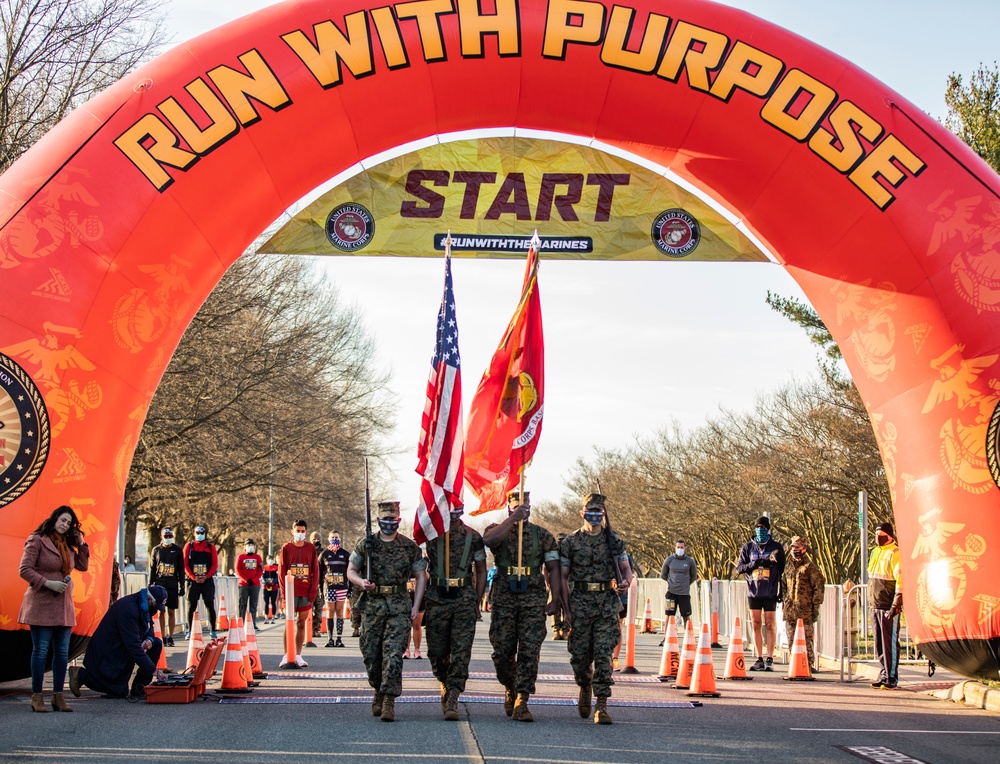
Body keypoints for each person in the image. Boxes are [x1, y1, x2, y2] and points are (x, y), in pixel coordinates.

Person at [482, 490, 563, 722]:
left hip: (532, 598)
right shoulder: (497, 528)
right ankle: (510, 685)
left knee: (529, 652)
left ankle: (522, 700)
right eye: (516, 505)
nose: (521, 509)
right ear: (508, 506)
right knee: (503, 652)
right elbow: (489, 541)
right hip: (504, 599)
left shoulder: (542, 535)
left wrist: (555, 598)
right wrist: (512, 520)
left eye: (525, 506)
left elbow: (554, 568)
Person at [347, 501, 426, 722]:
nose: (389, 523)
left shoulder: (410, 547)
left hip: (399, 606)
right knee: (372, 655)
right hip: (372, 606)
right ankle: (378, 690)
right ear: (378, 520)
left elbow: (420, 577)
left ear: (399, 521)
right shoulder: (367, 544)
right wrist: (362, 582)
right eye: (385, 520)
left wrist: (415, 605)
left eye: (393, 520)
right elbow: (351, 570)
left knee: (393, 655)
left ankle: (389, 699)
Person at [560, 493, 633, 724]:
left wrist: (625, 583)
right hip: (580, 603)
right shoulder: (570, 542)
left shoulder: (614, 541)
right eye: (590, 512)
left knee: (604, 655)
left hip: (605, 603)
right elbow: (563, 577)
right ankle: (584, 685)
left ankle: (602, 705)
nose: (594, 516)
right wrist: (565, 608)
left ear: (603, 514)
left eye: (598, 512)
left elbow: (626, 569)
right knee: (580, 658)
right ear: (582, 513)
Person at [18, 505, 91, 712]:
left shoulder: (68, 546)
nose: (65, 525)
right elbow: (24, 569)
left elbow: (83, 566)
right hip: (41, 602)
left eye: (68, 523)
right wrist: (48, 583)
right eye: (62, 520)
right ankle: (37, 696)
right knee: (40, 651)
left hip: (63, 605)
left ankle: (58, 696)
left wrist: (81, 542)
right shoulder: (37, 539)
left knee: (61, 652)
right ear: (55, 519)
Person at [424, 506, 487, 720]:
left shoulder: (473, 536)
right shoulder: (431, 533)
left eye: (456, 507)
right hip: (437, 598)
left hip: (464, 598)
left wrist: (477, 601)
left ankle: (453, 695)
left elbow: (481, 569)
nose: (452, 511)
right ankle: (443, 680)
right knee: (437, 651)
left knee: (461, 652)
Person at [69, 586, 169, 700]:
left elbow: (149, 626)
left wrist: (149, 640)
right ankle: (80, 675)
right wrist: (154, 671)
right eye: (156, 606)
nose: (156, 609)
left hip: (120, 646)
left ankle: (139, 687)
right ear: (150, 599)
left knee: (156, 643)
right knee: (119, 692)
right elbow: (133, 647)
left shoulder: (143, 605)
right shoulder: (128, 609)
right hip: (107, 651)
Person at [735, 516, 785, 671]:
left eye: (763, 527)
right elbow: (739, 568)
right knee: (756, 624)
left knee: (770, 624)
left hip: (769, 591)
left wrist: (773, 563)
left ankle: (770, 657)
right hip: (753, 592)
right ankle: (759, 657)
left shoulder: (776, 546)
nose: (760, 529)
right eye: (757, 526)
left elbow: (782, 569)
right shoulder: (748, 547)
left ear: (768, 529)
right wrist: (754, 564)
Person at [279, 520, 320, 667]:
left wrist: (312, 592)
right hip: (290, 591)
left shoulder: (311, 549)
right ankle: (286, 655)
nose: (300, 533)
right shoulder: (286, 548)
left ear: (306, 532)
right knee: (289, 623)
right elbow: (282, 572)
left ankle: (298, 655)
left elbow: (315, 571)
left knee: (301, 623)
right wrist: (284, 594)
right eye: (298, 531)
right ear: (292, 531)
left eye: (303, 531)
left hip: (305, 592)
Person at [781, 535, 826, 669]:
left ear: (804, 549)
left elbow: (818, 586)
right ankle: (794, 663)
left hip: (805, 610)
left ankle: (809, 663)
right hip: (790, 609)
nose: (795, 550)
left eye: (797, 547)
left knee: (806, 639)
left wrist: (816, 605)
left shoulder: (810, 567)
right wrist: (785, 600)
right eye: (793, 547)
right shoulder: (788, 566)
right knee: (791, 638)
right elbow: (783, 585)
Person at [868, 521, 903, 689]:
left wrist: (897, 602)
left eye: (881, 535)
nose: (877, 538)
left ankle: (891, 676)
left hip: (888, 605)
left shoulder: (895, 552)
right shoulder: (875, 552)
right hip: (875, 604)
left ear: (889, 536)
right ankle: (883, 673)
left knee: (890, 643)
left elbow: (900, 580)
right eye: (876, 535)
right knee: (879, 643)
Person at [148, 527, 184, 646]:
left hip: (172, 583)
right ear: (161, 537)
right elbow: (152, 567)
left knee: (171, 611)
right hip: (160, 583)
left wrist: (182, 585)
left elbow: (180, 569)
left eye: (170, 536)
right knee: (161, 611)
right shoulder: (156, 550)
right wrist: (150, 582)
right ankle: (163, 636)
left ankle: (171, 636)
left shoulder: (177, 550)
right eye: (166, 536)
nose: (168, 539)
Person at [183, 524, 219, 639]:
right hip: (193, 581)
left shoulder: (210, 547)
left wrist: (206, 576)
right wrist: (193, 577)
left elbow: (214, 564)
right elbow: (184, 564)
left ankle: (213, 631)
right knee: (191, 605)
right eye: (197, 533)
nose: (199, 535)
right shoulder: (189, 546)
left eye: (201, 533)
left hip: (206, 580)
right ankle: (189, 630)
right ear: (194, 534)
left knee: (209, 605)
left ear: (205, 534)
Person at [659, 539, 698, 644]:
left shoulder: (690, 561)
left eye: (682, 547)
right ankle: (666, 638)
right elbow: (663, 575)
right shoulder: (669, 560)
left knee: (686, 616)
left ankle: (688, 639)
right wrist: (672, 583)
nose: (680, 549)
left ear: (685, 548)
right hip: (671, 593)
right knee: (669, 615)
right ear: (675, 547)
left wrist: (685, 584)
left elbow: (694, 576)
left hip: (684, 594)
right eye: (678, 547)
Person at [321, 531, 351, 647]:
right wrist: (320, 588)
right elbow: (319, 572)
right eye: (332, 537)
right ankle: (330, 638)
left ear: (340, 538)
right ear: (328, 539)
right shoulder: (324, 554)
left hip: (342, 586)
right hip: (329, 587)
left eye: (336, 537)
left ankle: (339, 638)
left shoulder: (345, 554)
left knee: (339, 611)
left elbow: (350, 571)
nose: (335, 539)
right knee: (330, 611)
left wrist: (350, 588)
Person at [236, 538, 263, 628]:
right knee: (242, 604)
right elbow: (238, 570)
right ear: (245, 547)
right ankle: (241, 622)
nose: (250, 547)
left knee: (253, 605)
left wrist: (254, 580)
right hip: (243, 585)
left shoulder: (258, 558)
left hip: (255, 585)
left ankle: (252, 623)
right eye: (248, 545)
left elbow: (260, 570)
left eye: (251, 545)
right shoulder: (240, 557)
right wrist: (246, 580)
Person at [404, 556, 427, 660]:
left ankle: (417, 650)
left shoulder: (421, 565)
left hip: (419, 598)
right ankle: (406, 649)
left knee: (417, 625)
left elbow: (427, 576)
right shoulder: (403, 565)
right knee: (406, 626)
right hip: (405, 598)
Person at [310, 531, 325, 639]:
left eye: (317, 539)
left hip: (320, 584)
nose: (316, 541)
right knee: (309, 609)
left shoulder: (323, 552)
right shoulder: (308, 551)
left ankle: (317, 629)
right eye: (314, 539)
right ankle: (309, 629)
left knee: (319, 608)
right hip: (309, 584)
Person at [262, 555, 280, 623]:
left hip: (274, 587)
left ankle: (273, 618)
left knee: (273, 602)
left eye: (271, 559)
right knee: (266, 602)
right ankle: (266, 618)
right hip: (266, 587)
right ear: (266, 560)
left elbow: (277, 576)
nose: (270, 561)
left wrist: (274, 582)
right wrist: (265, 582)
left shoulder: (276, 568)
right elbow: (262, 576)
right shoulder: (264, 567)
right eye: (269, 559)